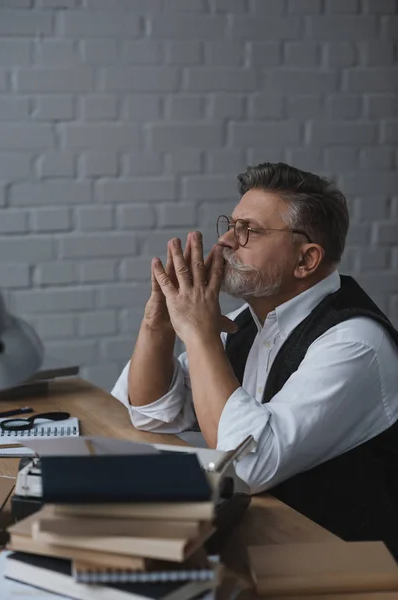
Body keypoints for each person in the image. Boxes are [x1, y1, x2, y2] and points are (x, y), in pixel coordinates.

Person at [112, 162, 398, 552]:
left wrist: (198, 335)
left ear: (306, 260)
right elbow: (152, 412)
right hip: (265, 544)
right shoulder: (245, 323)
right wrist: (158, 326)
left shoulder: (353, 343)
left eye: (250, 231)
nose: (227, 240)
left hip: (345, 570)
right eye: (231, 224)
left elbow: (247, 467)